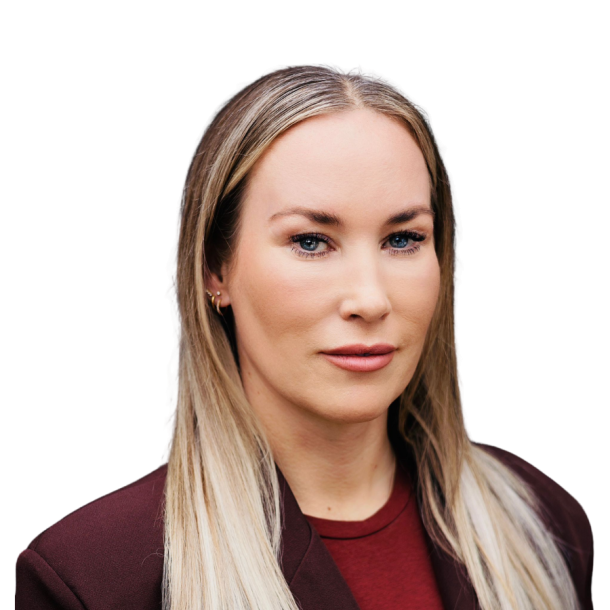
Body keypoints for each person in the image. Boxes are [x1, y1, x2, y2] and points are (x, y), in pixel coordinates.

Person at [14, 62, 594, 610]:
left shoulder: (546, 526)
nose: (370, 299)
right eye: (311, 242)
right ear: (215, 268)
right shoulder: (95, 581)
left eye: (403, 239)